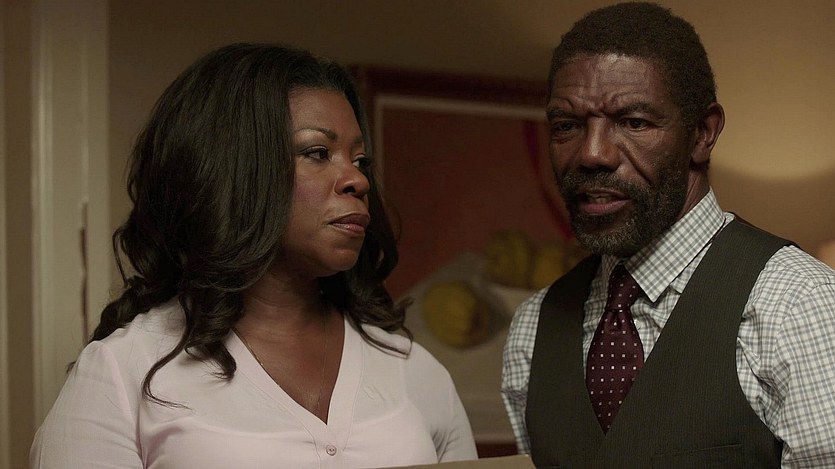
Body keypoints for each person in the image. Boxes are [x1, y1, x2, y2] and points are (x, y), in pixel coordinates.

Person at [31, 43, 477, 468]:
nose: (356, 180)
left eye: (360, 160)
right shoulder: (122, 372)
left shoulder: (413, 370)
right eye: (317, 153)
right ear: (233, 169)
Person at [501, 2, 835, 467]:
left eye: (634, 122)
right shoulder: (534, 327)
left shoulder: (795, 304)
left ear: (702, 133)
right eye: (567, 126)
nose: (592, 153)